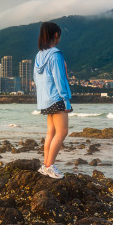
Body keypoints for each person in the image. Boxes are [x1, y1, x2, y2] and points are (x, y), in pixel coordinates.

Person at [34, 21, 73, 178]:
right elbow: (59, 79)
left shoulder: (39, 55)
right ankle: (50, 166)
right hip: (57, 97)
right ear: (56, 35)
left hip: (45, 99)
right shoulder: (56, 54)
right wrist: (66, 100)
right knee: (62, 132)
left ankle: (46, 165)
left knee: (51, 131)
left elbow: (36, 79)